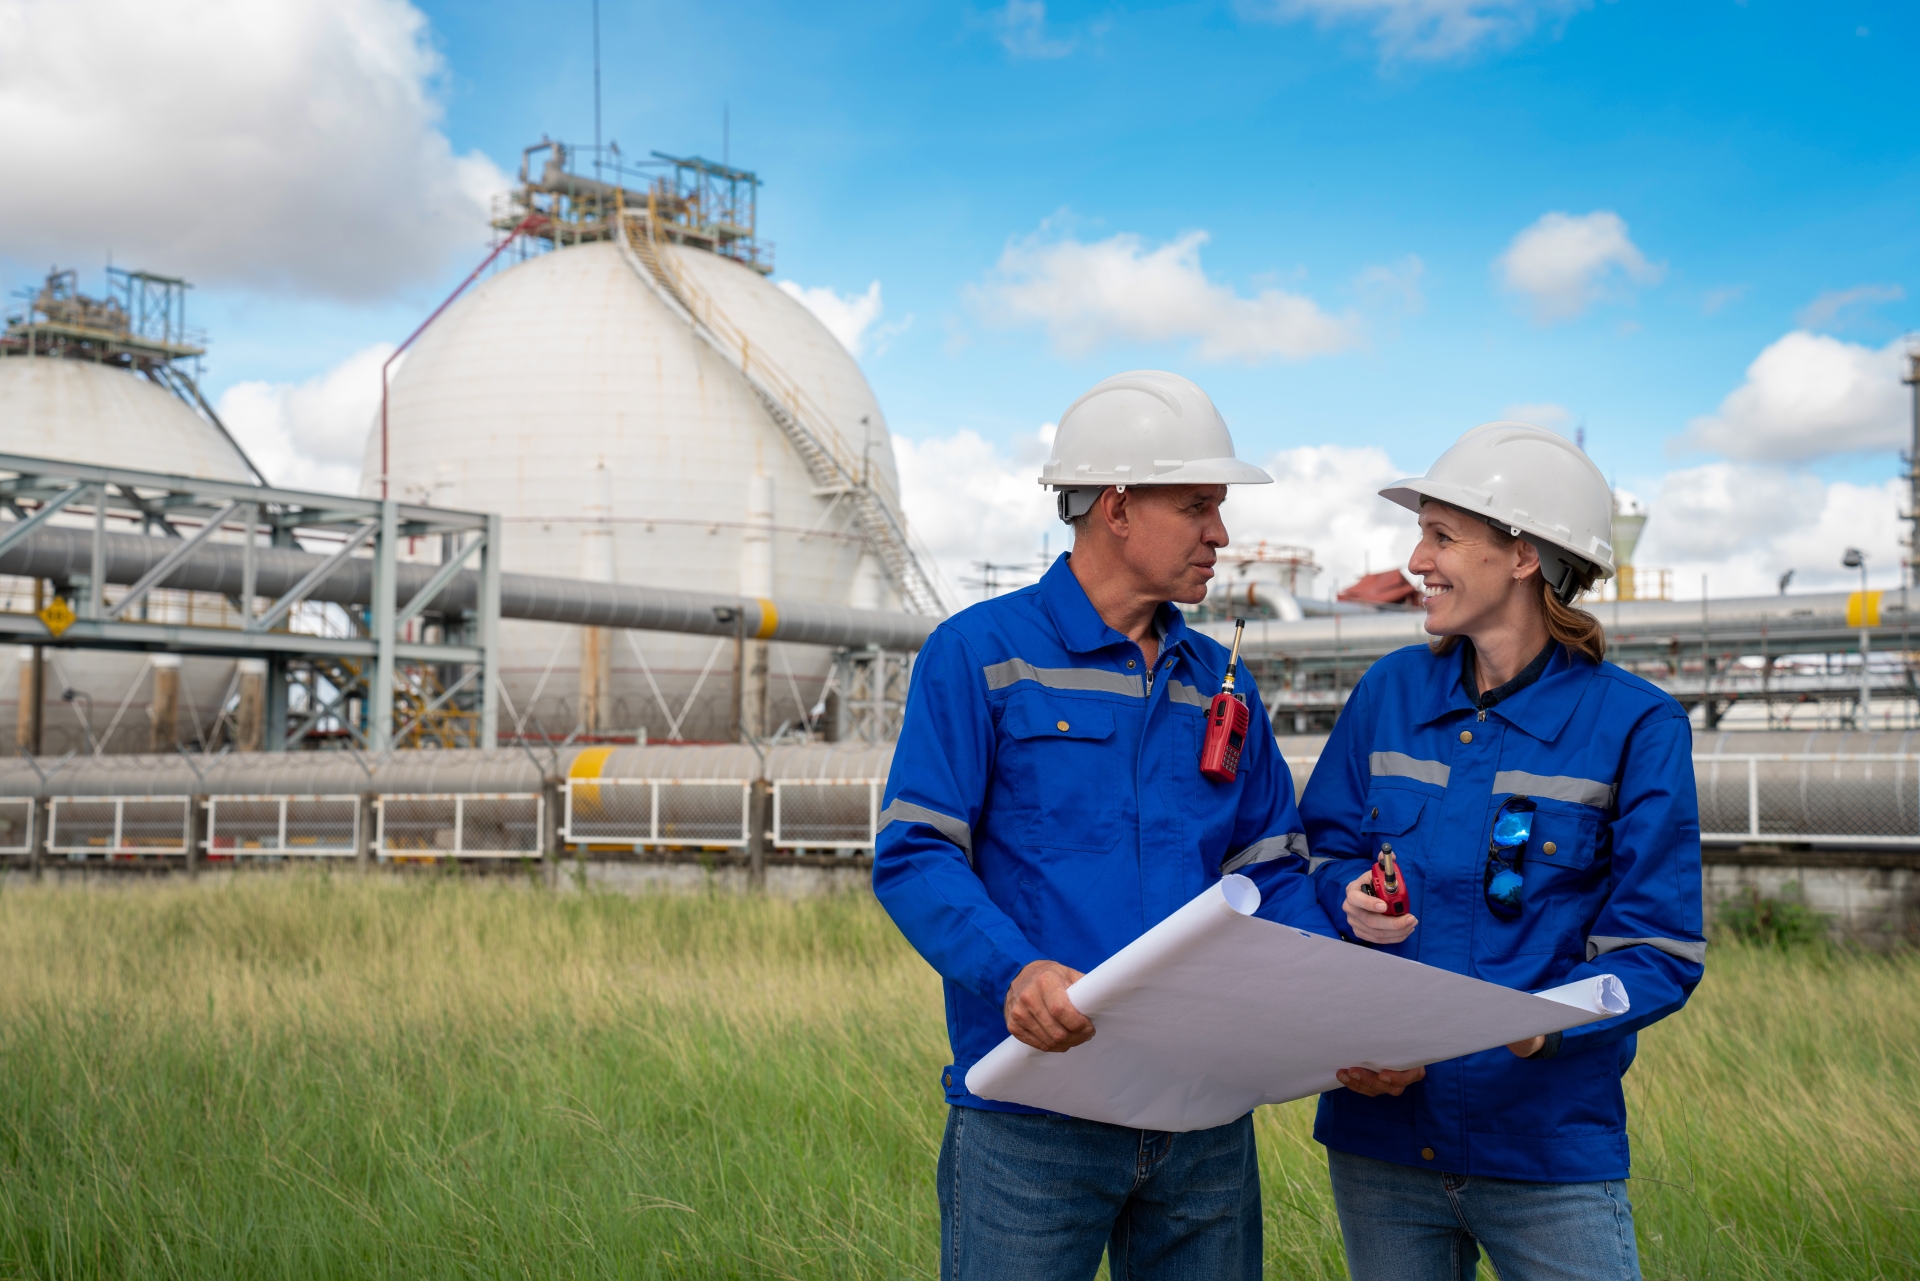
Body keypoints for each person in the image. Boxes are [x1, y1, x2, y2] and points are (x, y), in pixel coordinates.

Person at [873, 370, 1337, 1281]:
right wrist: (1015, 971)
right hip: (1033, 1115)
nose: (1222, 533)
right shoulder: (980, 654)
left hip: (1201, 1115)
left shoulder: (1222, 684)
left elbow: (1272, 874)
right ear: (1117, 507)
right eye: (1199, 505)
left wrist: (1339, 1007)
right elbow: (918, 851)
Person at [1299, 421, 1705, 1281]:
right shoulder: (1388, 694)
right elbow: (1318, 853)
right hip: (1381, 1140)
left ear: (1522, 554)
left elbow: (1659, 949)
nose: (1417, 559)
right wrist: (1344, 896)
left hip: (1546, 1146)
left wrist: (1534, 1028)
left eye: (1442, 536)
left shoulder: (1636, 725)